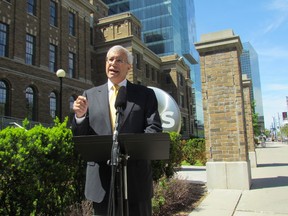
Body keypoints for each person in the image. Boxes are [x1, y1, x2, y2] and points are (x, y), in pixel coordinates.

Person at [72, 45, 162, 216]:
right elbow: (80, 137)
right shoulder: (89, 95)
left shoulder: (145, 94)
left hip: (135, 178)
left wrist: (132, 150)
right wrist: (80, 117)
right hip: (101, 181)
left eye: (119, 60)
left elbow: (154, 128)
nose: (113, 63)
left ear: (129, 66)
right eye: (110, 59)